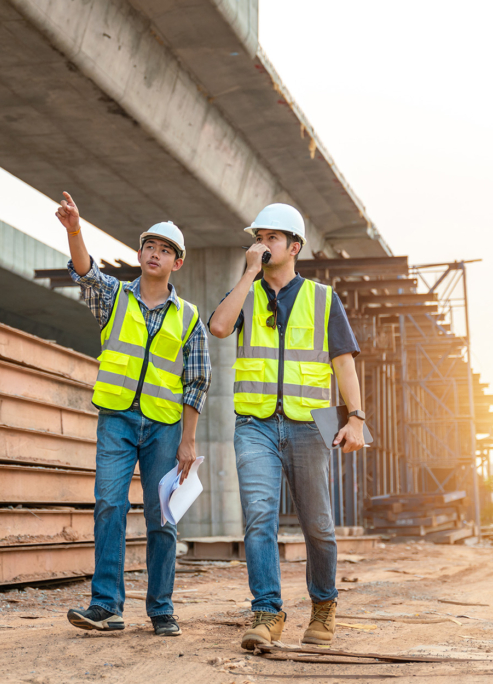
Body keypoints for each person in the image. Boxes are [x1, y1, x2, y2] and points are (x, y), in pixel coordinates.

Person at [208, 203, 365, 649]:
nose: (262, 244)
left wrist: (356, 418)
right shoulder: (247, 294)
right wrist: (247, 275)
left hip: (309, 425)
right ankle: (266, 613)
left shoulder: (322, 298)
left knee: (318, 525)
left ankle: (323, 607)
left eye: (272, 238)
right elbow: (219, 327)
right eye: (258, 237)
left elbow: (344, 365)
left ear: (294, 247)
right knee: (259, 519)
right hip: (254, 423)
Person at [56, 192, 211, 638]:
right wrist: (74, 231)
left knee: (162, 516)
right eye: (149, 246)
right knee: (109, 504)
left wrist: (189, 438)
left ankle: (161, 607)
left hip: (164, 427)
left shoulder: (189, 317)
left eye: (164, 250)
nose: (154, 254)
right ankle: (106, 605)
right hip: (118, 419)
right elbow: (86, 274)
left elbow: (197, 381)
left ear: (176, 263)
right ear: (140, 254)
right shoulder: (114, 297)